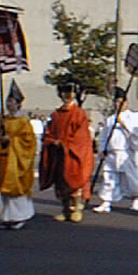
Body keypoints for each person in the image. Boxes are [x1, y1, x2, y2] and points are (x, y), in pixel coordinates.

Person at [39, 82, 94, 223]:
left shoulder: (79, 114)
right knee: (61, 182)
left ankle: (75, 208)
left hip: (72, 153)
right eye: (64, 93)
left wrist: (65, 144)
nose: (67, 96)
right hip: (59, 154)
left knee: (73, 181)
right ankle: (65, 209)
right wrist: (52, 141)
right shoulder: (56, 114)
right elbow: (49, 132)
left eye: (70, 93)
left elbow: (81, 136)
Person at [92, 87, 138, 213]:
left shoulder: (134, 117)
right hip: (112, 152)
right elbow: (104, 136)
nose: (118, 105)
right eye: (116, 102)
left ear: (126, 103)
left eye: (121, 102)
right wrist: (102, 149)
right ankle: (106, 202)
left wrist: (123, 124)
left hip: (127, 152)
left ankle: (135, 199)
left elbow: (137, 135)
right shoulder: (110, 119)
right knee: (109, 177)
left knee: (131, 177)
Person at [0, 80, 37, 229]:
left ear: (18, 104)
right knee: (2, 189)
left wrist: (11, 140)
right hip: (3, 158)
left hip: (16, 159)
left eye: (11, 101)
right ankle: (5, 217)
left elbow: (28, 142)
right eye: (7, 101)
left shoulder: (23, 122)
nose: (8, 104)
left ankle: (19, 217)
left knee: (16, 189)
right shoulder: (2, 120)